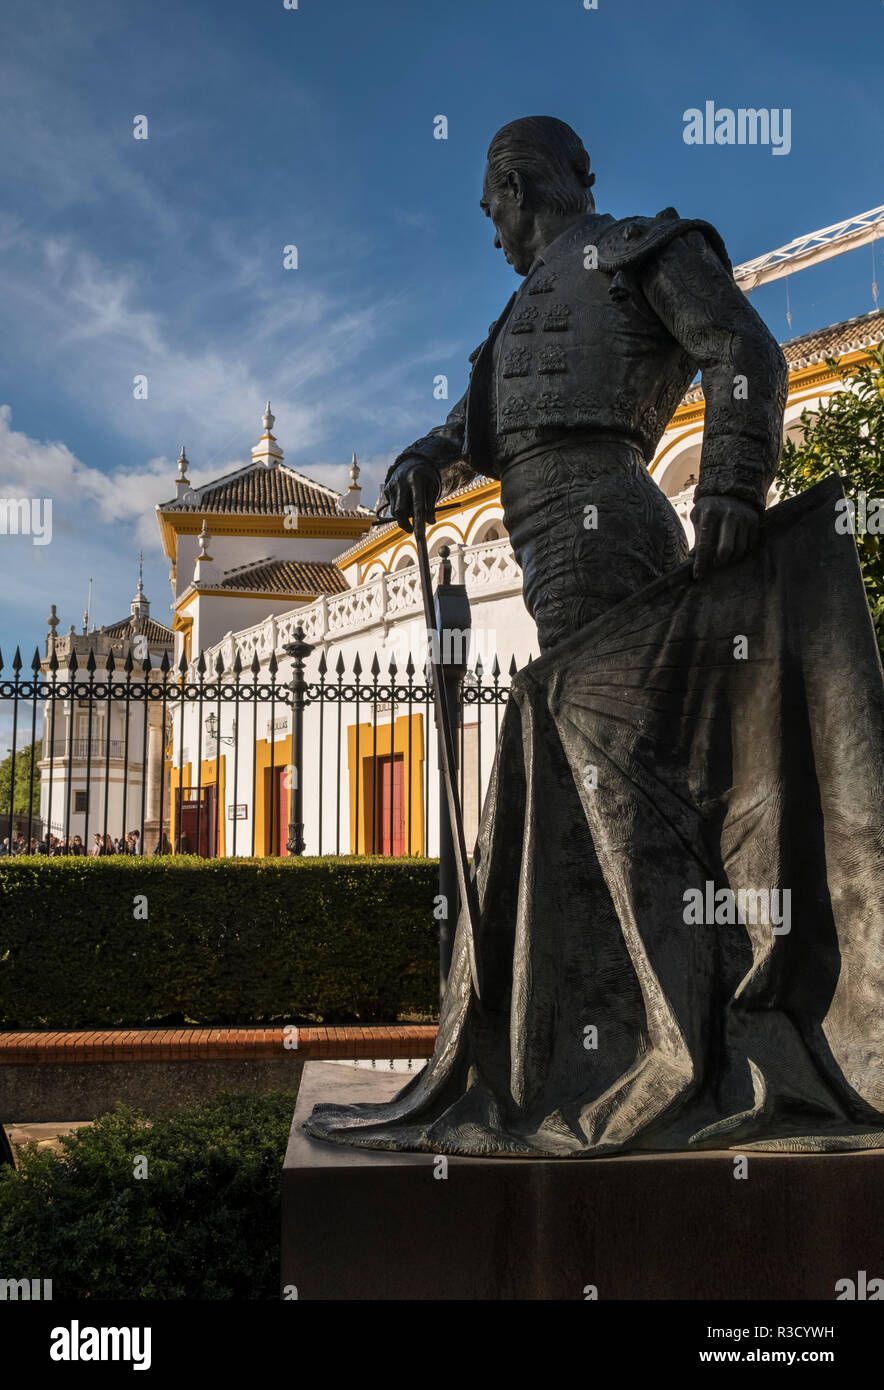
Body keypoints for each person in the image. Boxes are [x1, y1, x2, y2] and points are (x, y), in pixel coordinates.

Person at [306, 117, 884, 1160]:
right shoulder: (521, 310)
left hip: (604, 522)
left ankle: (662, 1048)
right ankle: (610, 1039)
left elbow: (742, 351)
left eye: (495, 211)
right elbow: (471, 425)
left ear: (519, 184)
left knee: (606, 770)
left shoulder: (638, 249)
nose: (493, 236)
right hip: (545, 537)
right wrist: (423, 456)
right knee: (584, 767)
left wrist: (726, 481)